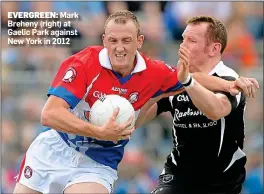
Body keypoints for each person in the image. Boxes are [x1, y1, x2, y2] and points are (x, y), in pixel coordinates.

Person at [13, 11, 258, 194]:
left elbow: (189, 79)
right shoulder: (83, 63)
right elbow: (50, 115)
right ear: (105, 40)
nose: (119, 48)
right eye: (113, 40)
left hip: (98, 161)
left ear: (139, 41)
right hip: (55, 149)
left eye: (127, 41)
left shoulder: (153, 72)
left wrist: (228, 84)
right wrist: (98, 131)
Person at [142, 16, 260, 194]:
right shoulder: (176, 80)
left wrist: (187, 82)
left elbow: (216, 110)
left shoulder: (230, 78)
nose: (183, 45)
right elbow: (142, 115)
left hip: (220, 180)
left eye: (192, 40)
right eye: (183, 39)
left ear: (214, 48)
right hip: (178, 175)